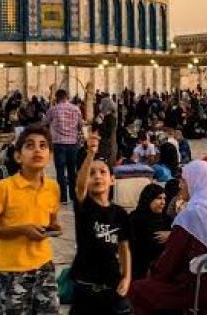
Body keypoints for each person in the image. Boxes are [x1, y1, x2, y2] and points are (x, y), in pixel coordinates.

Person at [128, 160, 207, 315]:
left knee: (138, 289)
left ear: (196, 182)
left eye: (184, 180)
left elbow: (168, 262)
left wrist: (152, 273)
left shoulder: (192, 215)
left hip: (195, 291)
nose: (180, 185)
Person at [0, 125, 62, 315]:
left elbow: (52, 221)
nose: (37, 150)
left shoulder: (52, 188)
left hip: (44, 267)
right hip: (12, 271)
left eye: (43, 146)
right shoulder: (4, 188)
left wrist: (54, 228)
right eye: (30, 145)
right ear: (18, 156)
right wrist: (22, 229)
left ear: (49, 156)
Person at [70, 133, 132, 314]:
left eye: (103, 172)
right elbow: (79, 187)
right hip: (85, 286)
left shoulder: (120, 213)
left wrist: (127, 277)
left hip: (112, 284)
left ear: (112, 179)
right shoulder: (84, 207)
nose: (97, 177)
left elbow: (124, 247)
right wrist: (90, 154)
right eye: (91, 173)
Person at [43, 88, 84, 204]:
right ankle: (73, 196)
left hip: (59, 144)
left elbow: (45, 123)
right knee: (72, 171)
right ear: (67, 97)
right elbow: (81, 125)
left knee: (60, 171)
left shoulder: (53, 109)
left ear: (57, 98)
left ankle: (63, 198)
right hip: (73, 144)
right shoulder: (76, 109)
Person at [129, 184, 172, 280]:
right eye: (159, 198)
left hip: (163, 269)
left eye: (164, 199)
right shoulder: (135, 218)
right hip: (139, 269)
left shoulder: (167, 220)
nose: (163, 202)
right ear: (148, 199)